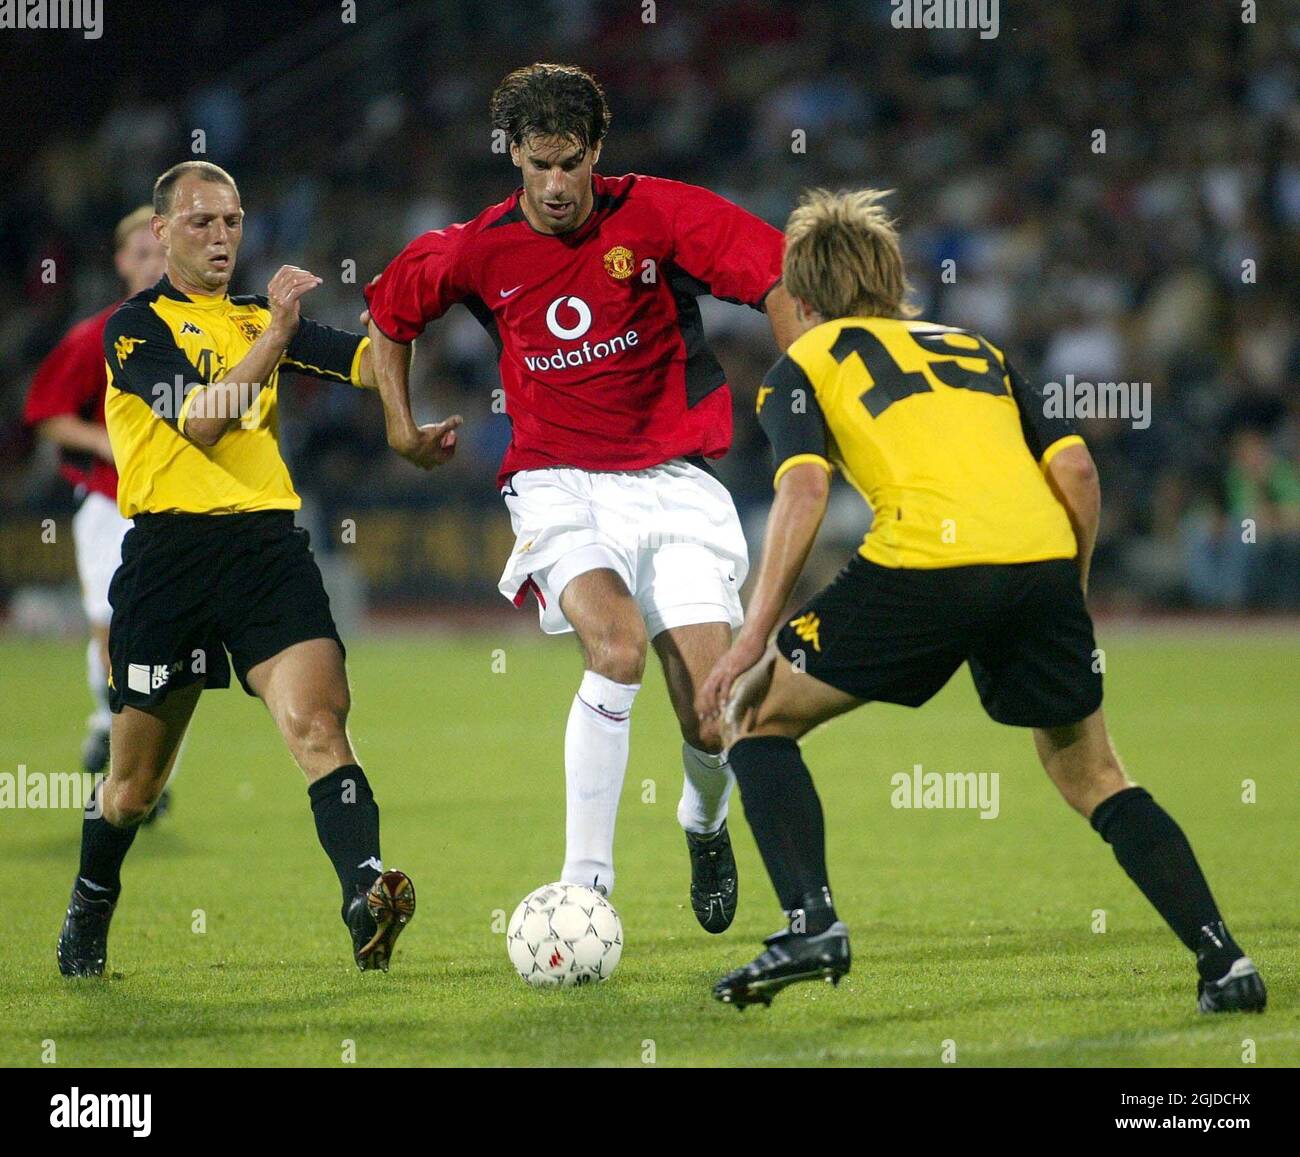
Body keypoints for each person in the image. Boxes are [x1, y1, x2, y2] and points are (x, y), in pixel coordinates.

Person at [698, 188, 1266, 1014]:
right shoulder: (978, 350)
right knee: (1096, 775)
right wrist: (1063, 593)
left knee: (754, 715)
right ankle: (1225, 960)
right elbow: (1076, 471)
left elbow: (805, 488)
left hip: (924, 560)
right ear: (891, 278)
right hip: (1040, 560)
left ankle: (811, 921)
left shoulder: (805, 364)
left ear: (805, 299)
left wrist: (754, 635)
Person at [364, 64, 800, 929]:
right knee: (616, 646)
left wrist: (807, 387)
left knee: (713, 714)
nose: (556, 186)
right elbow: (389, 313)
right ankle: (584, 887)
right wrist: (399, 427)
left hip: (675, 483)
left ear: (596, 151)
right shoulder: (478, 246)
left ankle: (701, 821)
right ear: (515, 156)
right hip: (557, 480)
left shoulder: (662, 213)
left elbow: (780, 277)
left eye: (571, 164)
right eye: (538, 166)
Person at [57, 161, 414, 977]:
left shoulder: (261, 315)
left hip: (265, 552)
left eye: (232, 221)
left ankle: (365, 893)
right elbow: (202, 420)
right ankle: (89, 900)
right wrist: (276, 341)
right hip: (166, 562)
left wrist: (419, 306)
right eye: (201, 223)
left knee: (321, 727)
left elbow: (371, 357)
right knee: (133, 790)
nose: (221, 238)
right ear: (162, 233)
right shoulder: (134, 328)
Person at [24, 207, 179, 820]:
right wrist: (102, 441)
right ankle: (114, 736)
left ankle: (142, 769)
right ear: (120, 262)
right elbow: (47, 413)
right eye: (139, 253)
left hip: (178, 505)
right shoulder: (99, 334)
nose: (151, 264)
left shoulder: (203, 330)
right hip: (112, 503)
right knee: (114, 626)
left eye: (160, 252)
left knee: (167, 641)